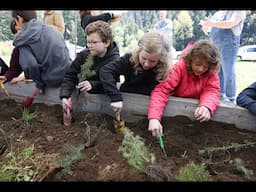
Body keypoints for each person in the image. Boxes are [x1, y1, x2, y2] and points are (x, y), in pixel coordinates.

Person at [147, 39, 221, 137]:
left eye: (205, 67)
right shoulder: (180, 67)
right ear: (190, 60)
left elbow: (212, 90)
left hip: (196, 113)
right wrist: (154, 118)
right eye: (198, 64)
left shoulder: (211, 71)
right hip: (177, 110)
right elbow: (162, 91)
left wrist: (206, 106)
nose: (201, 69)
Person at [60, 20, 120, 126]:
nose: (89, 46)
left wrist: (92, 85)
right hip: (83, 100)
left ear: (106, 42)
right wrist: (65, 96)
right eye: (88, 42)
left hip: (104, 105)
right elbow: (70, 75)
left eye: (94, 42)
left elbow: (111, 84)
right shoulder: (84, 55)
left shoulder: (114, 60)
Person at [100, 31, 173, 114]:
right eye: (144, 58)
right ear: (139, 51)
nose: (146, 64)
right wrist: (115, 96)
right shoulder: (129, 59)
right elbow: (106, 71)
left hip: (149, 109)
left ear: (160, 59)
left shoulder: (164, 70)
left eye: (152, 61)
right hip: (125, 103)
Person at [11, 10, 71, 99]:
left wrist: (39, 85)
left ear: (19, 19)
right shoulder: (52, 29)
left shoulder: (23, 40)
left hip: (51, 80)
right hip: (68, 75)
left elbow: (30, 65)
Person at [200, 10, 247, 104]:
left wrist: (211, 23)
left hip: (229, 44)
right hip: (216, 45)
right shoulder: (219, 13)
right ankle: (220, 95)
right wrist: (205, 26)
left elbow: (231, 23)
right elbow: (209, 29)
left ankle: (231, 98)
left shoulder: (240, 11)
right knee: (217, 71)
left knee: (228, 72)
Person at [0, 19, 29, 84]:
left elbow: (46, 68)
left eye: (19, 29)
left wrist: (25, 77)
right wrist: (6, 77)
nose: (18, 34)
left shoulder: (40, 45)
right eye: (15, 32)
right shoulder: (17, 50)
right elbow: (15, 69)